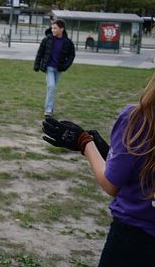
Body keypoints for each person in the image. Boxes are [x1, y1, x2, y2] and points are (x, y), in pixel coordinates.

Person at [41, 72, 155, 266]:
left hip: (135, 238)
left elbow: (111, 183)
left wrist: (84, 142)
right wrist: (109, 153)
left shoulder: (139, 118)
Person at [34, 19, 76, 116]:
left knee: (52, 89)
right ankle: (48, 110)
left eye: (55, 28)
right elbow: (40, 53)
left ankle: (50, 107)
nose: (52, 30)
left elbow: (71, 55)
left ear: (61, 29)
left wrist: (65, 66)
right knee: (51, 87)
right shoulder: (47, 39)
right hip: (49, 68)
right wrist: (36, 64)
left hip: (58, 69)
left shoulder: (68, 42)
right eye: (52, 28)